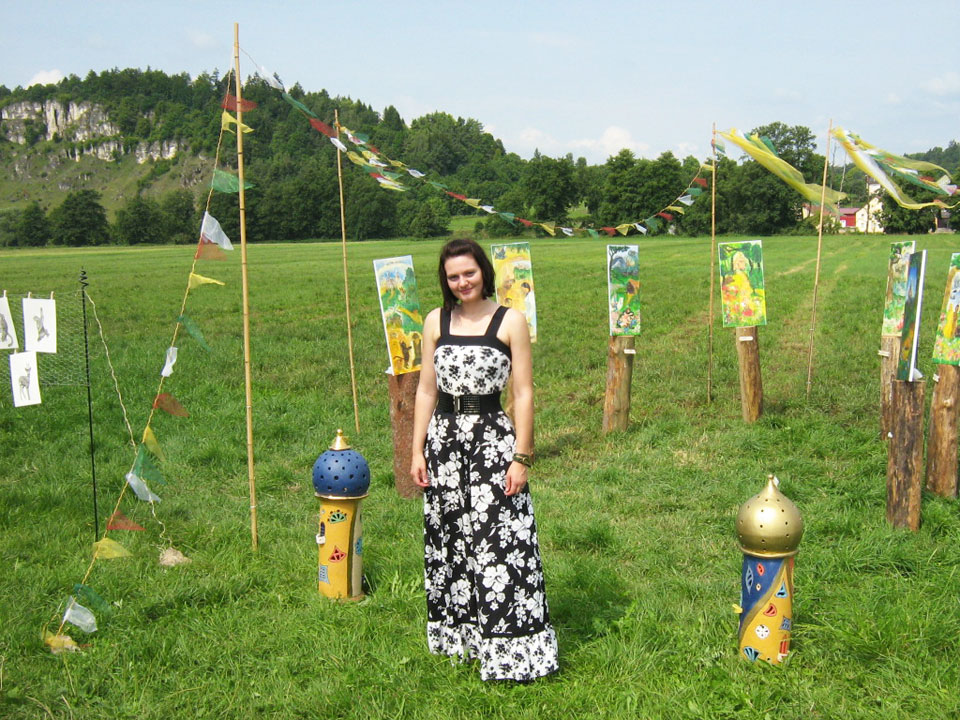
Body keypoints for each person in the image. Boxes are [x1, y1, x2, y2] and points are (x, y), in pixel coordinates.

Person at [411, 238, 558, 682]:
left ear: (484, 272)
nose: (462, 283)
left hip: (493, 442)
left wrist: (522, 457)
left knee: (502, 544)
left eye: (469, 273)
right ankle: (463, 640)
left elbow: (524, 392)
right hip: (444, 444)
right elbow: (425, 391)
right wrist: (416, 450)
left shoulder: (510, 320)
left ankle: (514, 648)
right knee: (453, 542)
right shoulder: (436, 320)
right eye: (453, 276)